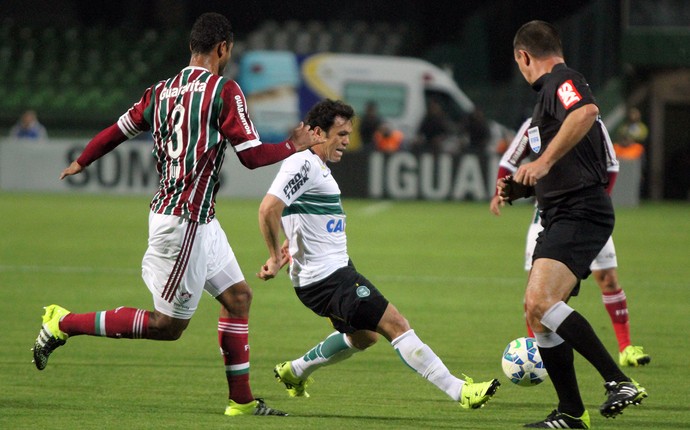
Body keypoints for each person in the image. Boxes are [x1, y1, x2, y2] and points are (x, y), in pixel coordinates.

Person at [32, 12, 325, 418]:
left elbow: (117, 130)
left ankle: (240, 401)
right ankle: (63, 323)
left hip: (199, 219)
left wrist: (83, 160)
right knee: (166, 327)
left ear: (192, 46)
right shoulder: (224, 91)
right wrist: (293, 145)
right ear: (223, 48)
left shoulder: (160, 91)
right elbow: (253, 157)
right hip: (183, 222)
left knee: (238, 297)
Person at [256, 98, 500, 410]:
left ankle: (295, 371)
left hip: (331, 272)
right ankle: (459, 391)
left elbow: (292, 212)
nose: (347, 140)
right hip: (327, 278)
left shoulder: (316, 167)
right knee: (395, 323)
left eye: (348, 134)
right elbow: (268, 208)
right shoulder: (302, 163)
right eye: (341, 134)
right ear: (317, 132)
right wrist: (276, 255)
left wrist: (291, 241)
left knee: (364, 337)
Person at [500, 21, 647, 428]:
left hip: (581, 211)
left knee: (542, 304)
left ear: (523, 57)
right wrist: (522, 189)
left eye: (519, 64)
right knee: (537, 310)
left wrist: (542, 162)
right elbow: (569, 161)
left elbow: (586, 111)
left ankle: (619, 381)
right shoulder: (546, 100)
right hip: (562, 211)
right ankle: (570, 412)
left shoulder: (562, 81)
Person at [490, 117, 651, 368]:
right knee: (541, 293)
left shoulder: (589, 120)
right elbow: (508, 161)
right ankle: (540, 356)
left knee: (607, 278)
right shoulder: (534, 123)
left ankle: (626, 348)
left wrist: (594, 203)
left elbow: (612, 165)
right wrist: (498, 192)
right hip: (548, 217)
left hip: (587, 216)